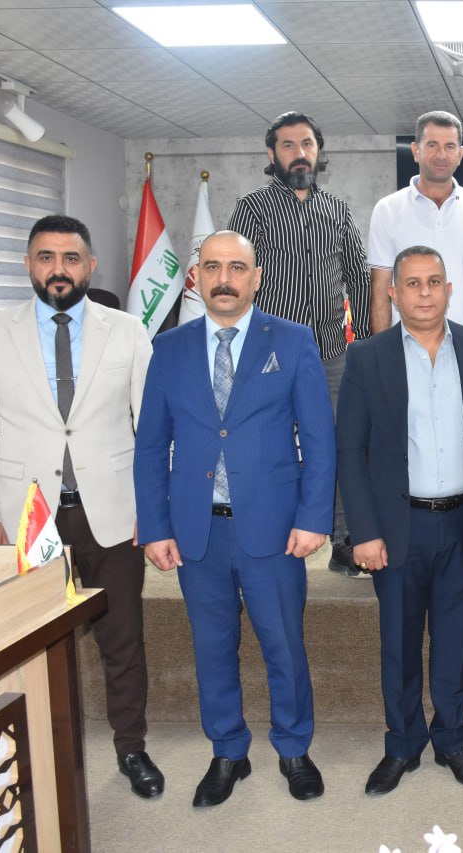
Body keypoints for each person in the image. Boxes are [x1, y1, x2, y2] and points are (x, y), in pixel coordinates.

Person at [0, 214, 161, 800]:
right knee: (31, 643)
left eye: (71, 258)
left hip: (113, 514)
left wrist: (153, 507)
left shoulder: (128, 331)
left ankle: (132, 747)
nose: (58, 269)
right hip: (27, 518)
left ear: (90, 266)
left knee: (123, 638)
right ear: (28, 265)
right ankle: (39, 750)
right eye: (46, 257)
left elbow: (151, 428)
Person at [134, 231, 336, 807]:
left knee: (283, 646)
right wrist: (155, 525)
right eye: (213, 267)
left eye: (237, 267)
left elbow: (319, 439)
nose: (224, 278)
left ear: (256, 277)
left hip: (274, 528)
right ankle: (227, 751)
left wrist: (314, 517)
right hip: (196, 530)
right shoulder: (169, 347)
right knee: (212, 648)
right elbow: (151, 445)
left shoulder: (293, 341)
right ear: (196, 276)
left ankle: (293, 748)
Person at [338, 246, 463, 796]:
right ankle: (403, 744)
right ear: (393, 293)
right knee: (400, 643)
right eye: (412, 283)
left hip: (462, 524)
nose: (425, 292)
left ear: (450, 290)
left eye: (434, 281)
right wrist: (364, 531)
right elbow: (351, 451)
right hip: (397, 527)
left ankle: (452, 741)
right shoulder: (367, 357)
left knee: (456, 643)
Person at [228, 110, 368, 577]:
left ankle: (344, 540)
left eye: (306, 143)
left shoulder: (338, 210)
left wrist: (366, 346)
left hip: (330, 353)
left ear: (318, 151)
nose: (299, 152)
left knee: (339, 445)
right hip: (267, 354)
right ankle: (265, 534)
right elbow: (236, 277)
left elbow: (358, 279)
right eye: (288, 145)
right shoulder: (252, 208)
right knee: (266, 447)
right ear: (272, 154)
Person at [368, 111, 463, 362]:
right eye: (432, 145)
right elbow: (380, 288)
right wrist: (382, 357)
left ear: (460, 154)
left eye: (449, 146)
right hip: (407, 350)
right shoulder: (387, 210)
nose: (441, 155)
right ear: (416, 151)